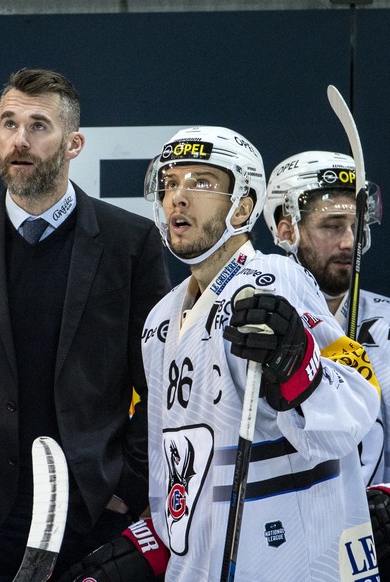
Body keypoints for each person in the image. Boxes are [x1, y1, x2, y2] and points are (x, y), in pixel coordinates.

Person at [0, 67, 170, 580]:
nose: (19, 140)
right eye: (9, 123)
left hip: (91, 512)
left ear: (74, 144)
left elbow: (160, 380)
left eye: (38, 126)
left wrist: (126, 486)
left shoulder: (130, 242)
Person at [135, 127, 379, 580]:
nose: (178, 197)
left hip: (295, 566)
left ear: (242, 207)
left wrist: (299, 366)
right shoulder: (159, 320)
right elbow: (167, 471)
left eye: (202, 182)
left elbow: (355, 403)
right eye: (170, 182)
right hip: (198, 566)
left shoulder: (275, 280)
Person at [264, 150, 388, 486]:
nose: (349, 242)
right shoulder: (253, 325)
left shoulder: (387, 323)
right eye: (332, 226)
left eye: (356, 226)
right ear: (287, 231)